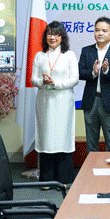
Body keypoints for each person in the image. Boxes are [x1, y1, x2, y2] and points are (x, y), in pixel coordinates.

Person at [31, 21, 79, 185]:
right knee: (46, 138)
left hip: (63, 102)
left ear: (62, 37)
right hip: (45, 102)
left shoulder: (69, 55)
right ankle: (47, 180)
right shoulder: (40, 55)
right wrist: (43, 82)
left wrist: (55, 84)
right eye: (50, 34)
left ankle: (64, 178)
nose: (53, 37)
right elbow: (33, 79)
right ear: (46, 36)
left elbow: (74, 79)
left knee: (62, 138)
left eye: (56, 34)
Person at [78, 16, 110, 153]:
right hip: (91, 100)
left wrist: (107, 71)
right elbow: (80, 72)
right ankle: (91, 172)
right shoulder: (86, 50)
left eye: (104, 31)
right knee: (91, 140)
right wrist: (93, 72)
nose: (100, 33)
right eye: (97, 30)